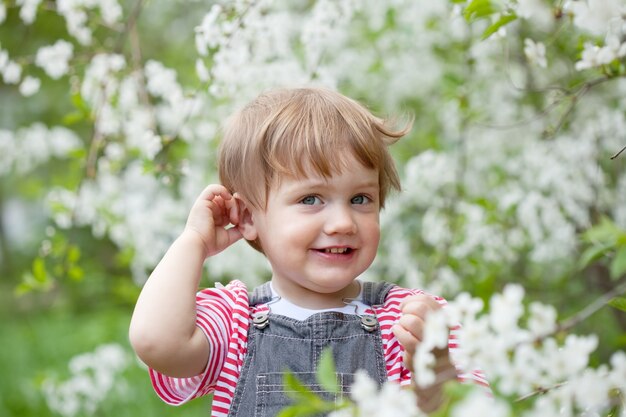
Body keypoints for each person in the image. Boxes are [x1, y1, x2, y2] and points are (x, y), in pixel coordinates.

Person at [129, 87, 487, 417]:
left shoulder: (407, 319)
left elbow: (467, 410)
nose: (343, 222)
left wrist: (436, 372)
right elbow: (157, 342)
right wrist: (194, 241)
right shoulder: (235, 323)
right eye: (310, 199)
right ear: (250, 217)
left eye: (360, 199)